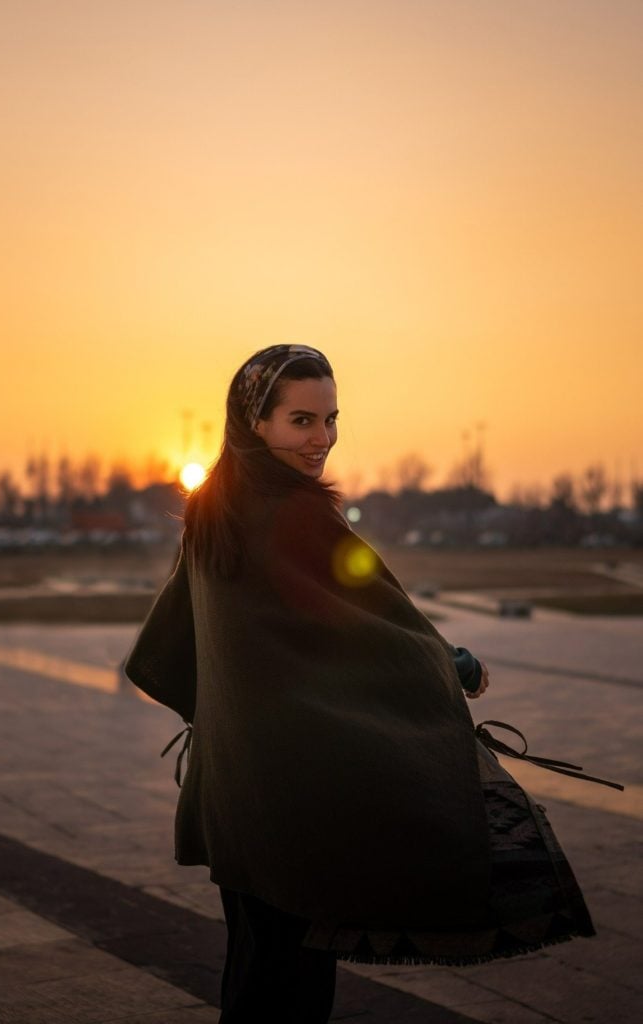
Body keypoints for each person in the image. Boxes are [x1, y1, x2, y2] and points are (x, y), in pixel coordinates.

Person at [124, 344, 595, 1024]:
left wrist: (238, 704)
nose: (321, 440)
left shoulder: (213, 508)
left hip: (235, 790)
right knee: (293, 988)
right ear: (255, 422)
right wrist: (453, 664)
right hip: (297, 800)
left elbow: (167, 652)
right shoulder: (295, 513)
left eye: (330, 419)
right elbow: (376, 624)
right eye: (300, 421)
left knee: (254, 976)